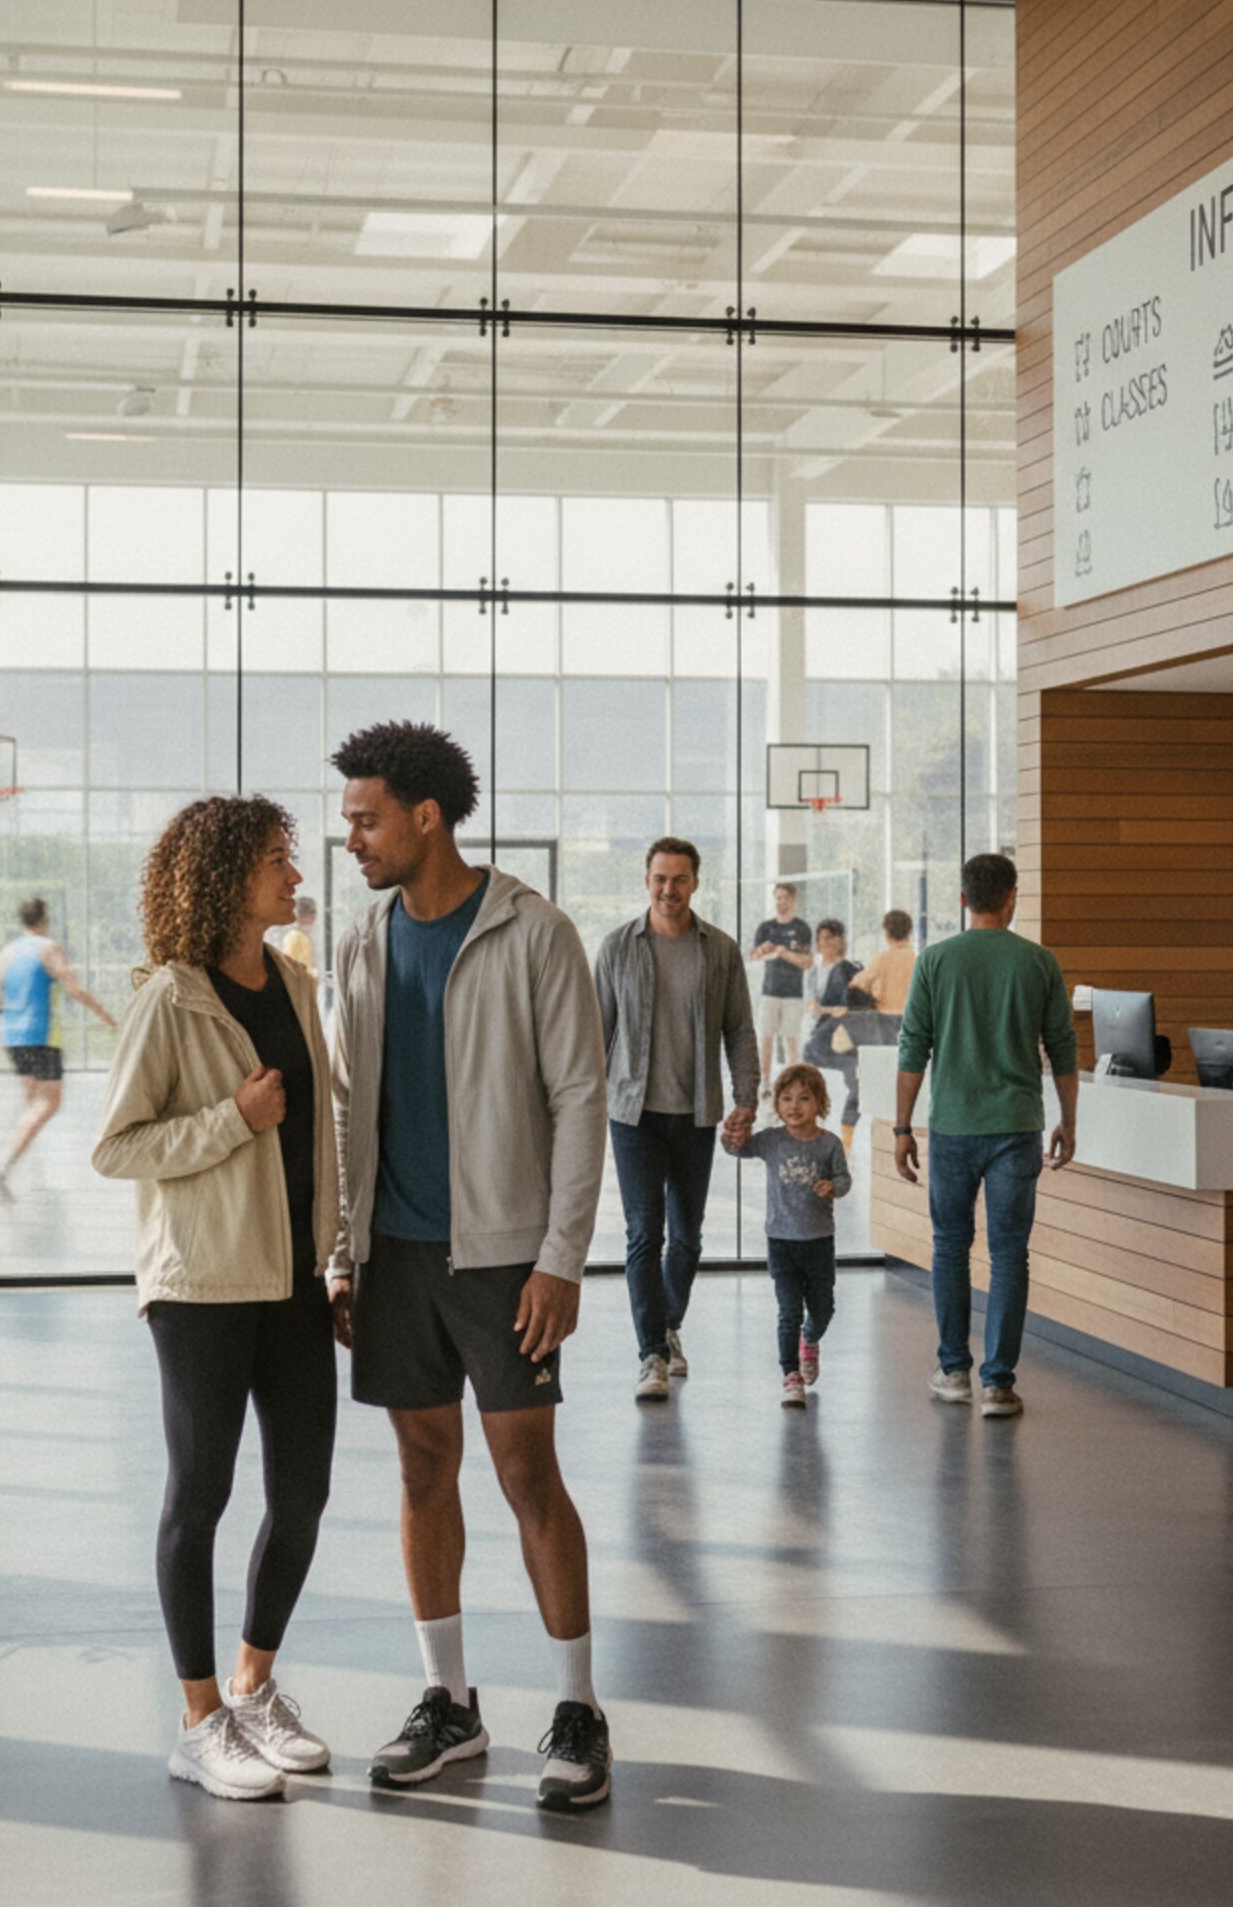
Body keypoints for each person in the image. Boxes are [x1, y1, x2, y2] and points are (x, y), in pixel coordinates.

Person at [326, 721, 614, 1814]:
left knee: (526, 1472)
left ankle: (579, 1707)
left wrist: (559, 1259)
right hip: (391, 1254)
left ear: (424, 817)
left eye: (365, 818)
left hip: (502, 1260)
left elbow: (579, 1096)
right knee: (418, 1467)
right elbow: (349, 1101)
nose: (350, 836)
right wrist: (338, 1253)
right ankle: (447, 1698)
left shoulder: (533, 932)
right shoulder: (362, 936)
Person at [93, 797, 341, 1801]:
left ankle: (252, 1681)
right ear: (230, 874)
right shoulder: (171, 998)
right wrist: (232, 1119)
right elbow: (117, 1146)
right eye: (279, 860)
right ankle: (197, 1718)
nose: (294, 874)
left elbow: (325, 1126)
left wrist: (340, 1258)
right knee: (199, 1494)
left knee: (304, 1490)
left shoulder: (293, 978)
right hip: (199, 1282)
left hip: (290, 1275)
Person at [894, 853, 1078, 1421]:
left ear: (962, 900)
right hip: (1016, 1128)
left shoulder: (935, 960)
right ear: (1012, 897)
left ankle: (954, 1372)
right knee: (1009, 1254)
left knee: (950, 1246)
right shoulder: (1038, 962)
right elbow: (1064, 1050)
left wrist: (902, 1127)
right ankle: (998, 1384)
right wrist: (1068, 1120)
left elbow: (912, 1049)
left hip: (951, 1127)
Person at [595, 836, 758, 1401]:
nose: (669, 889)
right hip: (631, 1113)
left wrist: (747, 1098)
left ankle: (667, 1325)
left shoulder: (721, 950)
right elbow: (599, 1034)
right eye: (660, 879)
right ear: (647, 881)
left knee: (687, 1239)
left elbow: (739, 1029)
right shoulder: (617, 947)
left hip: (697, 1113)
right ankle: (651, 1355)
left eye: (680, 879)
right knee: (644, 1233)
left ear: (695, 883)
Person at [724, 1062, 851, 1407]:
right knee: (789, 1310)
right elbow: (738, 1149)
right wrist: (730, 1134)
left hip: (819, 1241)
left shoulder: (829, 1144)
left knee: (823, 1308)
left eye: (804, 1098)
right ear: (777, 1104)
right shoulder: (771, 1140)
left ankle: (810, 1339)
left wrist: (833, 1187)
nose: (794, 1106)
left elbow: (844, 1179)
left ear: (820, 1104)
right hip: (781, 1241)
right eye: (786, 1098)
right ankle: (790, 1374)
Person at [0, 897, 118, 1199]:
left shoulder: (7, 952)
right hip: (41, 1035)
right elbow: (72, 987)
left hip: (13, 1035)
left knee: (33, 1100)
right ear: (44, 919)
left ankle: (21, 1158)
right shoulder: (48, 948)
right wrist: (108, 1017)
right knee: (49, 1103)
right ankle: (4, 1162)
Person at [802, 917, 866, 1146]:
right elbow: (812, 1007)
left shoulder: (845, 969)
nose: (824, 943)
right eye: (820, 939)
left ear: (840, 940)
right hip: (824, 1032)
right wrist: (826, 1010)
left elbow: (845, 1008)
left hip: (839, 1033)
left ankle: (845, 1139)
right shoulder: (815, 971)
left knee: (855, 1081)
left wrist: (826, 1010)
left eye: (829, 938)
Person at [749, 881, 813, 1095]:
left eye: (785, 897)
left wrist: (784, 953)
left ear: (793, 900)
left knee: (791, 1040)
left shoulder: (802, 928)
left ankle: (792, 1086)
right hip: (769, 992)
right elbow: (753, 957)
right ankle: (765, 1084)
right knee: (765, 1038)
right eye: (778, 897)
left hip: (793, 994)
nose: (781, 902)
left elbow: (806, 962)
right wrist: (762, 950)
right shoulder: (766, 928)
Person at [846, 908, 919, 1050]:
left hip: (886, 1018)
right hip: (911, 1018)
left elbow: (859, 984)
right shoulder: (917, 959)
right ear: (909, 932)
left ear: (887, 933)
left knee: (888, 1057)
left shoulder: (883, 958)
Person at [277, 897, 318, 977]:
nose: (313, 919)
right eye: (308, 915)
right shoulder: (295, 937)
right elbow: (289, 970)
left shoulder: (304, 937)